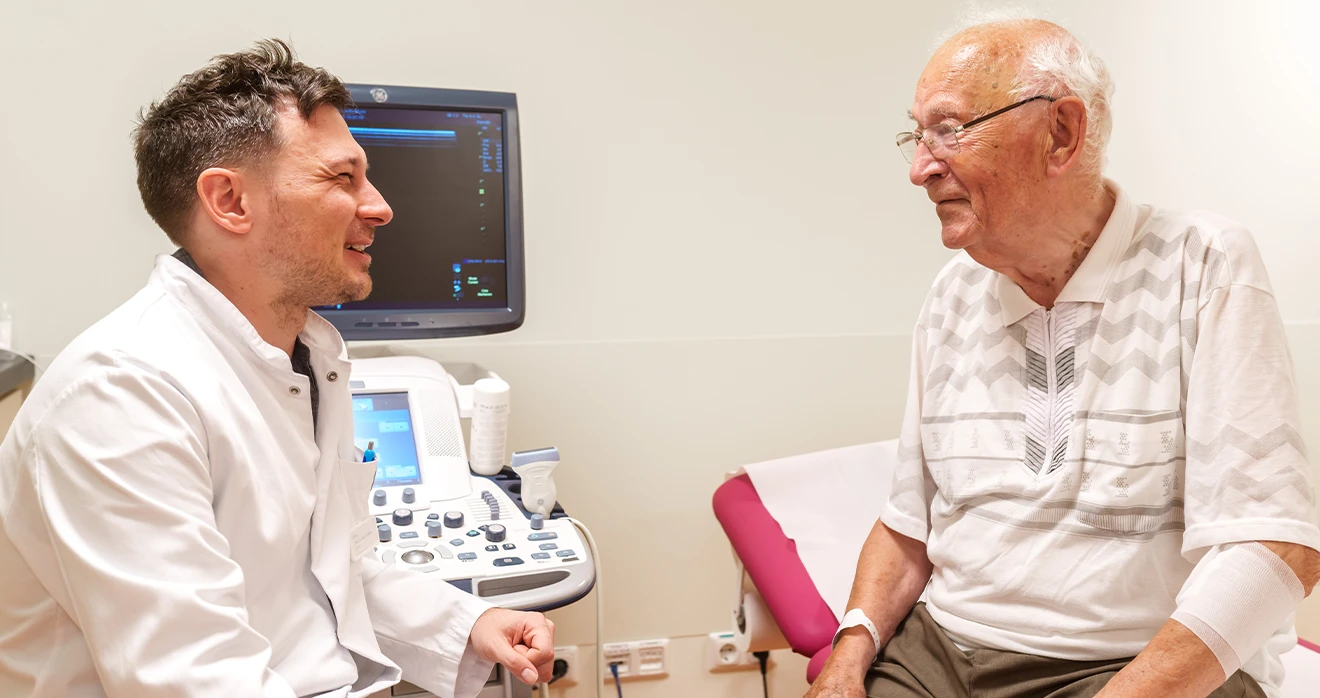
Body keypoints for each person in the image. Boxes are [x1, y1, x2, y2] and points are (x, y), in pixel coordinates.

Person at [0, 39, 554, 698]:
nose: (379, 207)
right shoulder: (119, 395)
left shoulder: (309, 357)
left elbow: (321, 575)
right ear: (230, 202)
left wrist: (468, 621)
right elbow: (195, 679)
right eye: (341, 178)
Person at [806, 18, 1320, 698]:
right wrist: (848, 654)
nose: (920, 167)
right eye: (917, 134)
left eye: (950, 129)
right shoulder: (952, 295)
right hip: (941, 656)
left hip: (1126, 667)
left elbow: (1275, 547)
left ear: (1061, 135)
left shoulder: (1203, 265)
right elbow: (907, 526)